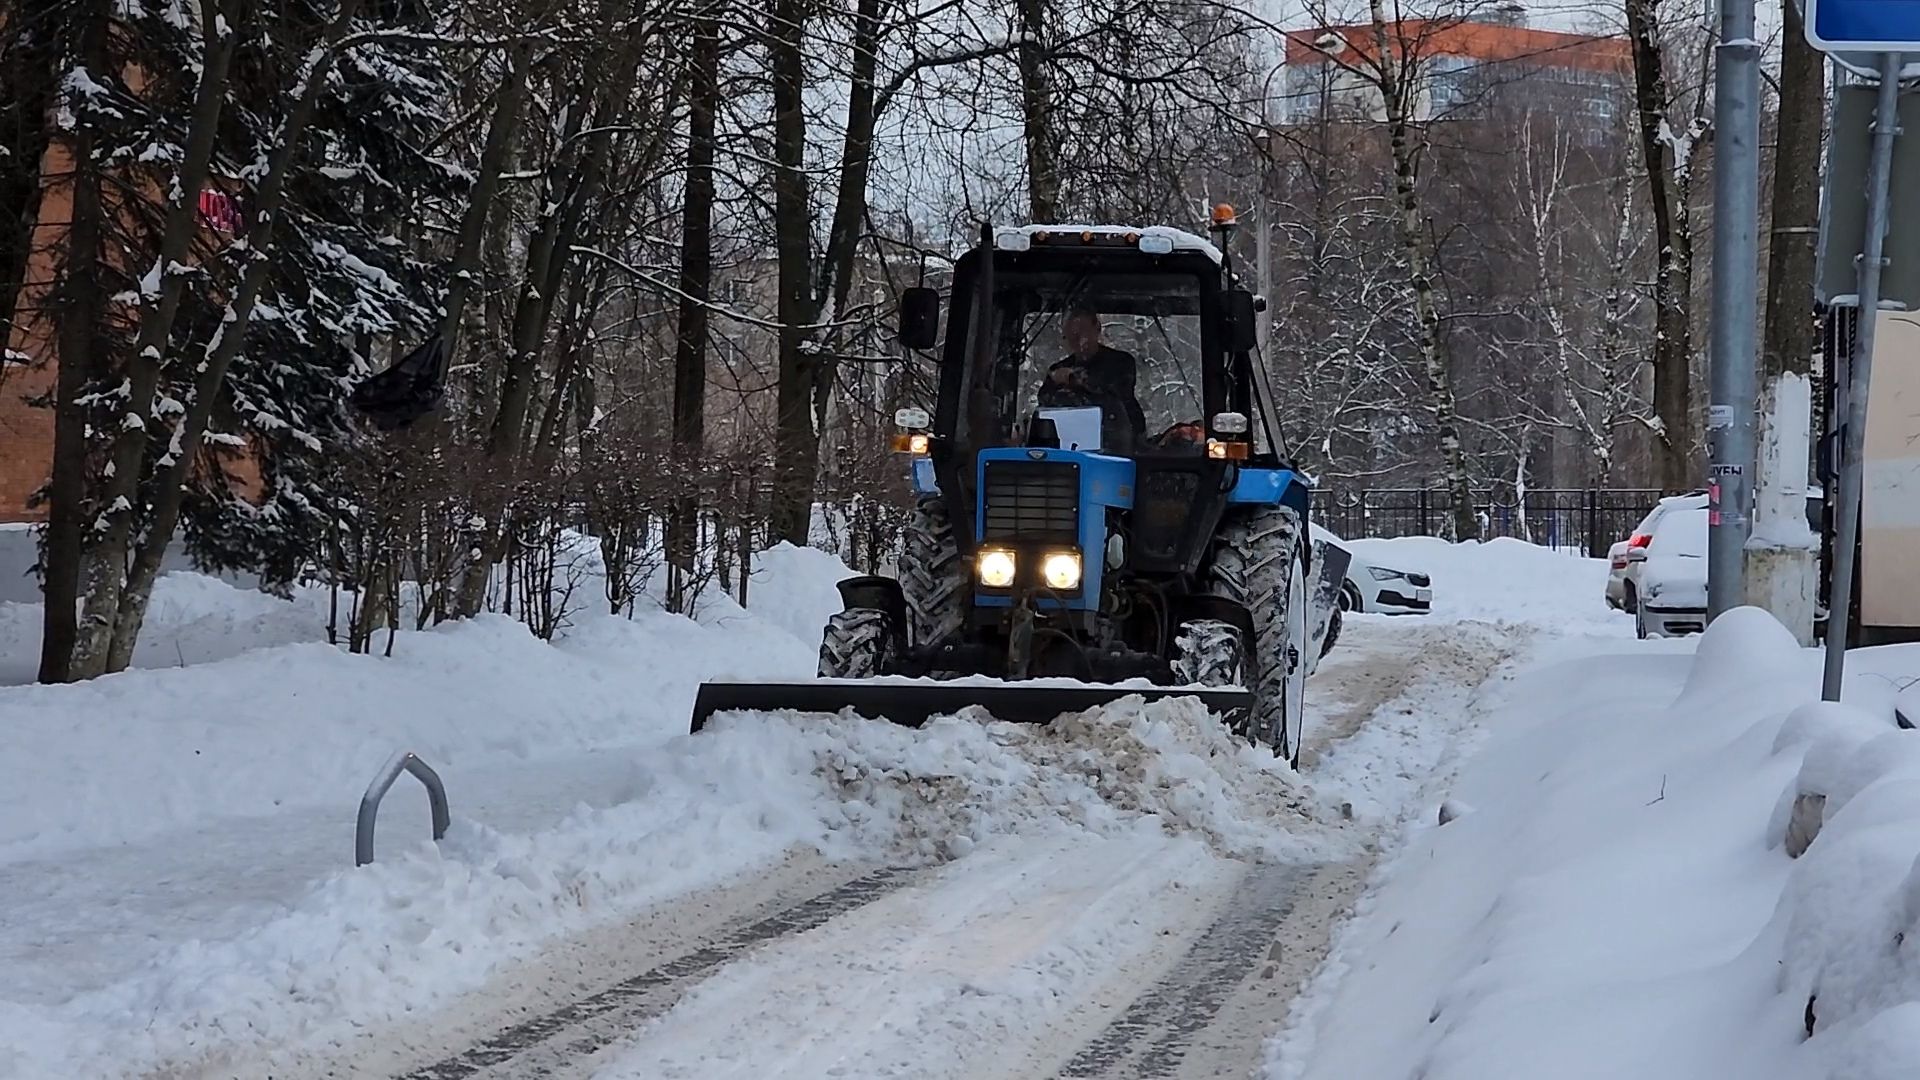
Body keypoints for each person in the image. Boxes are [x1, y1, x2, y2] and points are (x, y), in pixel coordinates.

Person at [1039, 309, 1148, 453]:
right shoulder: (1058, 369)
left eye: (1083, 333)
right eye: (1072, 336)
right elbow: (1044, 402)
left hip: (1118, 446)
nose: (1079, 341)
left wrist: (1074, 380)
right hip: (1071, 447)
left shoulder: (1120, 362)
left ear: (1097, 329)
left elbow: (1116, 390)